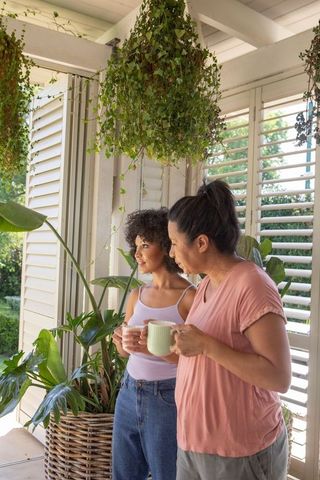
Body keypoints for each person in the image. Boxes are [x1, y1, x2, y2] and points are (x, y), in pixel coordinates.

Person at [167, 179, 291, 480]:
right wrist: (162, 347)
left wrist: (206, 344)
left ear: (201, 243)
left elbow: (278, 376)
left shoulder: (253, 285)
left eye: (173, 243)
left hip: (240, 454)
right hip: (193, 445)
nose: (171, 254)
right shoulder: (207, 283)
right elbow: (204, 358)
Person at [112, 207, 195, 480]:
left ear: (167, 245)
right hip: (128, 390)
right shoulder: (137, 294)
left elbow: (196, 362)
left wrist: (156, 349)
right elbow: (126, 352)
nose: (137, 254)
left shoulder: (188, 298)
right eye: (136, 245)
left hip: (166, 397)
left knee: (166, 474)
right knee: (123, 474)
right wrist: (121, 343)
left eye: (145, 245)